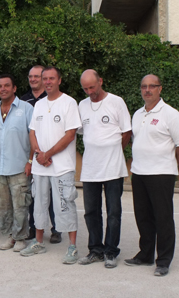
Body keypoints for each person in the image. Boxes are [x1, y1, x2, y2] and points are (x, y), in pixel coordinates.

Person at [125, 74, 179, 277]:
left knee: (162, 218)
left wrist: (170, 164)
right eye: (144, 86)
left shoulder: (171, 114)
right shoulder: (137, 114)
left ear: (160, 89)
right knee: (143, 216)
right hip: (139, 173)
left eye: (152, 86)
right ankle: (145, 255)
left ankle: (163, 260)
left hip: (162, 174)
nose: (147, 90)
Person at [21, 66, 81, 264]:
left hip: (61, 166)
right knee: (39, 204)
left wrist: (48, 154)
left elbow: (70, 134)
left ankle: (72, 247)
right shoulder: (38, 105)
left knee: (65, 204)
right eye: (44, 78)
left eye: (51, 78)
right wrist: (39, 154)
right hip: (41, 166)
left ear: (59, 80)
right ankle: (38, 242)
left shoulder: (69, 103)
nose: (47, 82)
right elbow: (32, 131)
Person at [77, 69, 132, 268]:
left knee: (113, 212)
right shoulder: (82, 105)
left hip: (113, 167)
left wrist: (115, 151)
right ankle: (95, 250)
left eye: (92, 87)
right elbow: (83, 131)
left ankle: (110, 251)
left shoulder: (116, 102)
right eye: (85, 88)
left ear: (101, 81)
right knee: (91, 211)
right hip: (91, 168)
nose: (89, 91)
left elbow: (127, 132)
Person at [0, 74, 34, 252]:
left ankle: (21, 237)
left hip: (20, 166)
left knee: (21, 204)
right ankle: (9, 236)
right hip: (0, 167)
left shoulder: (26, 108)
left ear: (14, 88)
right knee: (4, 205)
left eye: (7, 86)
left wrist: (30, 161)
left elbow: (33, 136)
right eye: (0, 86)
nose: (3, 89)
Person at [21, 65, 62, 243]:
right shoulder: (23, 100)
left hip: (53, 156)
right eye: (31, 76)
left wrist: (47, 154)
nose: (34, 79)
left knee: (53, 196)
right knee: (34, 195)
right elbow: (30, 131)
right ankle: (33, 226)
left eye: (37, 76)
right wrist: (35, 156)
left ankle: (56, 229)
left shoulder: (54, 99)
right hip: (32, 155)